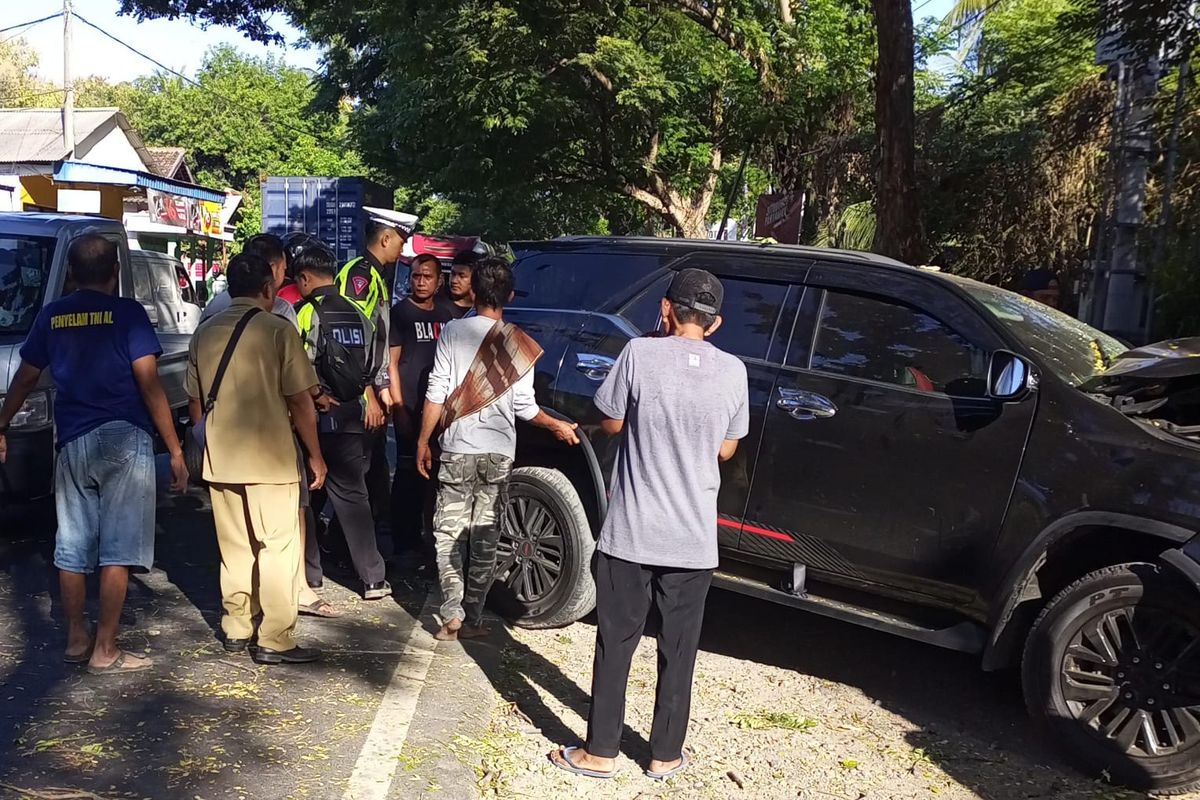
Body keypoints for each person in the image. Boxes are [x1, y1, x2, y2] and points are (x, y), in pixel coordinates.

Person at [549, 268, 749, 782]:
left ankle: (601, 753)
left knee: (616, 639)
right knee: (680, 649)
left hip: (633, 531)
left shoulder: (638, 353)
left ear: (666, 309)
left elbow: (611, 419)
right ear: (716, 322)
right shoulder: (734, 372)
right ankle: (664, 755)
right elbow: (728, 448)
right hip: (693, 540)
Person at [0, 234, 188, 675]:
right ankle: (106, 648)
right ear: (115, 272)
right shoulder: (127, 314)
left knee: (72, 544)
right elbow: (149, 383)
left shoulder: (52, 316)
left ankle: (75, 637)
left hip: (72, 441)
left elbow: (26, 379)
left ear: (70, 273)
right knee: (118, 548)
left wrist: (2, 423)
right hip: (124, 437)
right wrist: (175, 449)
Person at [416, 257, 580, 642]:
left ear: (474, 291)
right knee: (486, 537)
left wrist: (424, 440)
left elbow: (437, 391)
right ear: (508, 294)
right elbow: (525, 408)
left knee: (448, 532)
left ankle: (451, 613)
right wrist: (555, 424)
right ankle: (474, 618)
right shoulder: (519, 344)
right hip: (499, 453)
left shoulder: (453, 332)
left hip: (457, 448)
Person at [187, 252, 326, 665]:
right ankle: (275, 638)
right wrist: (315, 455)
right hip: (271, 458)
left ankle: (236, 626)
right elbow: (301, 402)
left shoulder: (205, 332)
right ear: (268, 288)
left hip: (221, 457)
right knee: (278, 546)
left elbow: (196, 402)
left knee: (235, 548)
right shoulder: (278, 331)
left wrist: (205, 442)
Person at [295, 244, 392, 600]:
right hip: (354, 414)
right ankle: (373, 579)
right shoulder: (360, 314)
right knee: (354, 498)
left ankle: (311, 575)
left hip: (315, 416)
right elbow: (375, 364)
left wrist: (317, 395)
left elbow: (296, 367)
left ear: (305, 278)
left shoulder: (304, 313)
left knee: (305, 496)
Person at [338, 217, 409, 537]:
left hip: (370, 387)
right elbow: (350, 339)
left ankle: (368, 545)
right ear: (385, 238)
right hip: (356, 391)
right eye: (400, 240)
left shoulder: (377, 275)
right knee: (356, 475)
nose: (403, 247)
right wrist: (367, 391)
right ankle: (340, 547)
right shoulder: (360, 275)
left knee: (374, 470)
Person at [388, 255, 454, 566]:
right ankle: (403, 540)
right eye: (416, 276)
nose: (421, 281)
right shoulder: (400, 313)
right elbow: (391, 363)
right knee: (406, 475)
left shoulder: (447, 315)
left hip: (437, 409)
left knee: (433, 476)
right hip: (410, 405)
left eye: (427, 276)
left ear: (439, 280)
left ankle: (427, 537)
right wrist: (398, 406)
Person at [200, 234, 298, 329]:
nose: (284, 275)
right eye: (283, 269)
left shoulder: (215, 306)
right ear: (272, 269)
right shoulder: (282, 311)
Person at [438, 250, 478, 319]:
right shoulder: (437, 305)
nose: (454, 280)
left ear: (475, 278)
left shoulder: (482, 310)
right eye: (453, 274)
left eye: (462, 276)